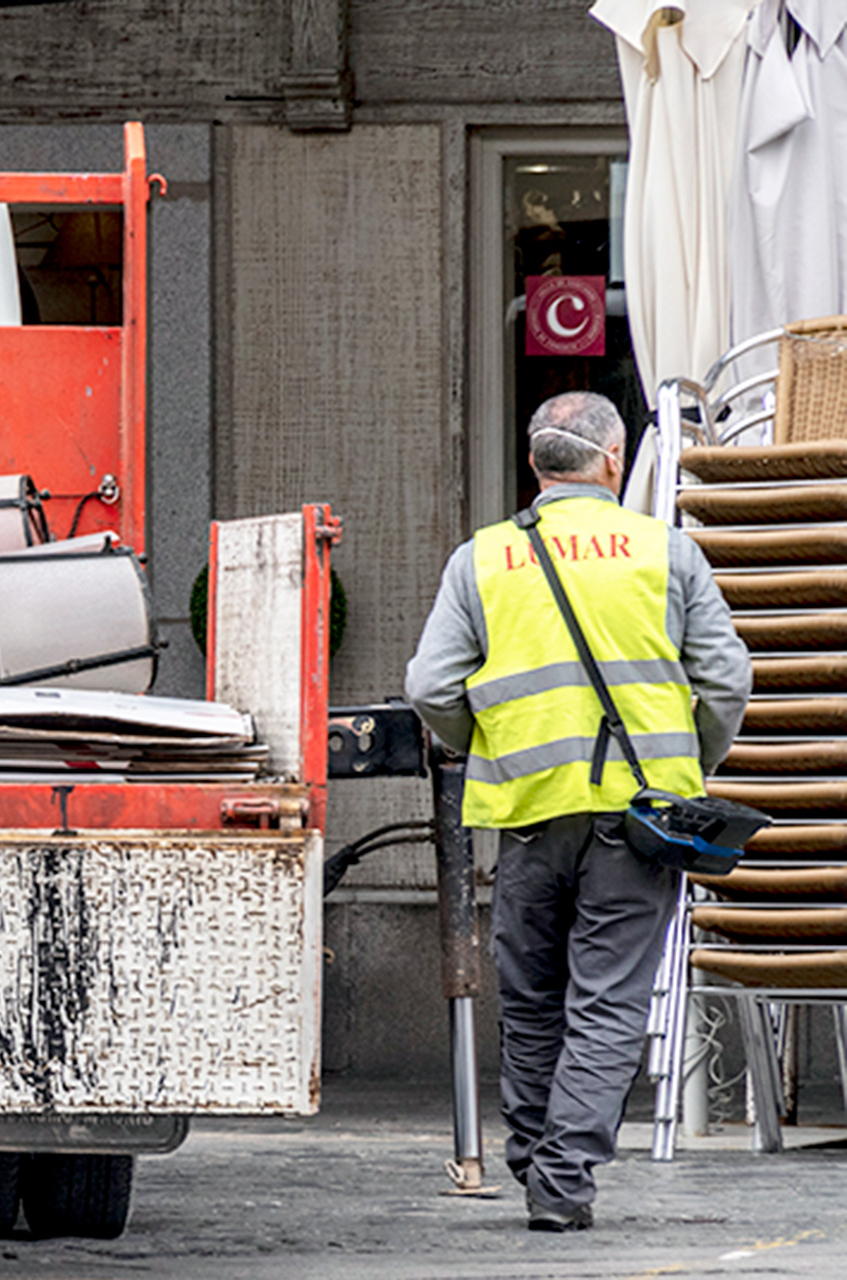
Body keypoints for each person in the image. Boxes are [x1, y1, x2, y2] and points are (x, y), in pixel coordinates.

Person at [405, 391, 750, 1232]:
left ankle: (533, 1156)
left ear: (534, 466)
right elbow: (726, 681)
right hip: (638, 822)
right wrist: (688, 764)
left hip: (526, 812)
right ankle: (561, 1177)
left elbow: (428, 688)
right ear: (612, 462)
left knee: (529, 998)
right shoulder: (665, 552)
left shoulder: (482, 559)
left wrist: (487, 740)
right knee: (606, 1002)